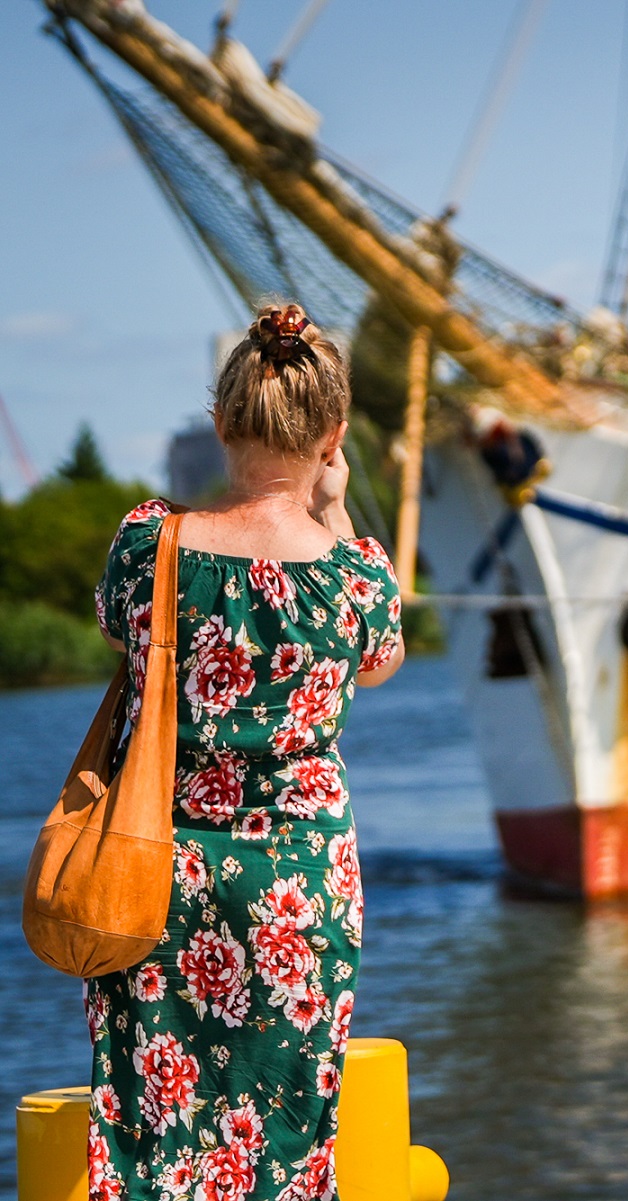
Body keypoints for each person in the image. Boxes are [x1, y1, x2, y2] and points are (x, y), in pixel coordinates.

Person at [86, 302, 405, 1201]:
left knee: (152, 1127)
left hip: (154, 872)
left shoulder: (152, 543)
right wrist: (335, 512)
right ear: (333, 436)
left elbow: (121, 637)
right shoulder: (355, 574)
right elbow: (382, 662)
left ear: (222, 422)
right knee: (289, 1134)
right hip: (299, 888)